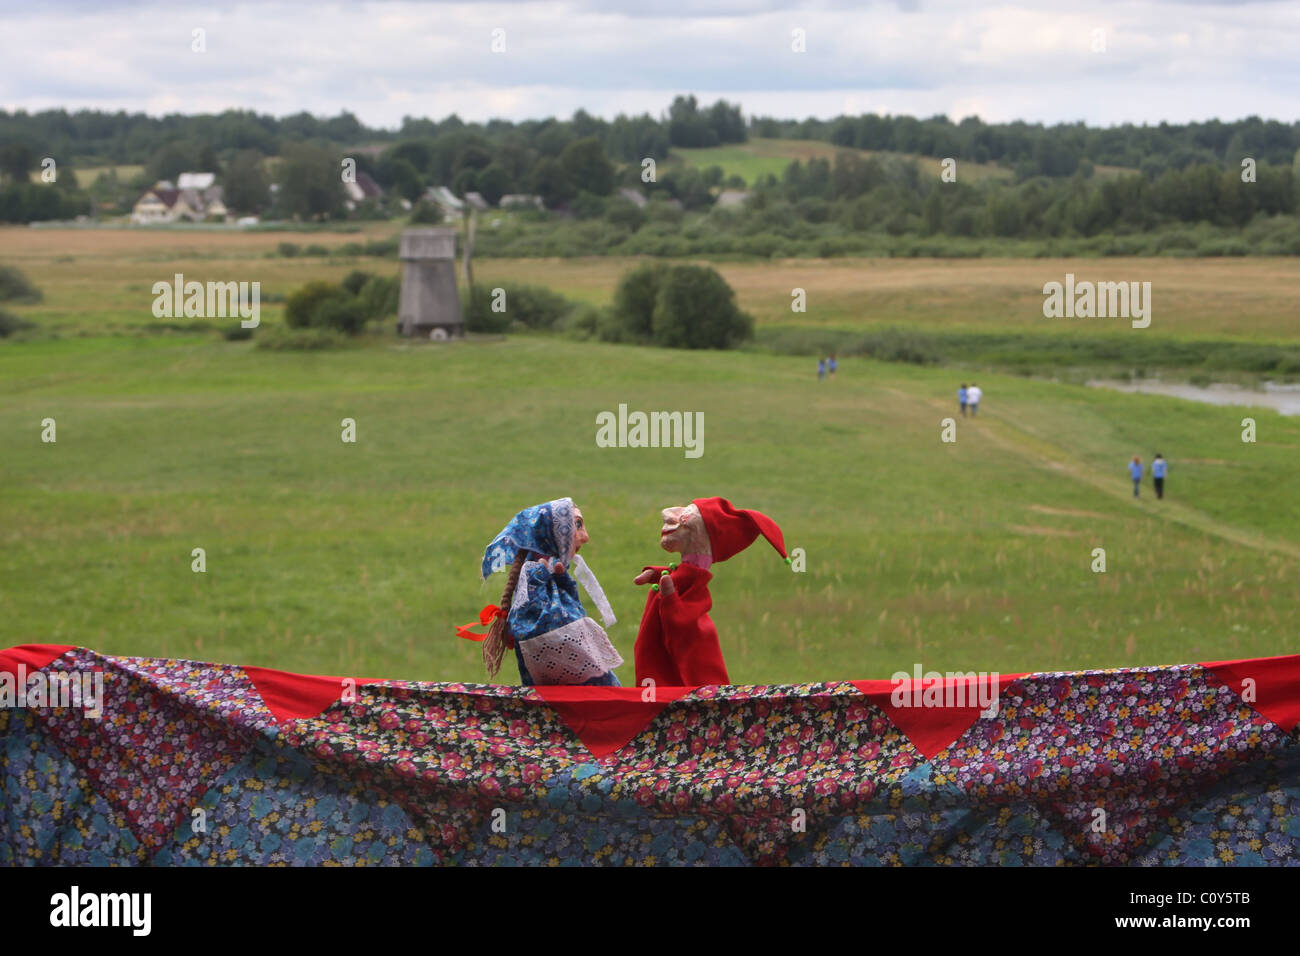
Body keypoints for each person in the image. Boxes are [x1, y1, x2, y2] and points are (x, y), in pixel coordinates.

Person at [459, 497, 622, 685]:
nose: (585, 537)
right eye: (577, 525)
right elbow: (541, 632)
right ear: (552, 533)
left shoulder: (551, 578)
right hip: (561, 695)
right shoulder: (534, 581)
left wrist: (562, 581)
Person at [633, 497, 787, 687]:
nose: (669, 515)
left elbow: (683, 625)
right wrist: (657, 574)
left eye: (684, 521)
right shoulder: (683, 580)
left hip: (683, 683)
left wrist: (670, 601)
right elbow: (684, 574)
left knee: (687, 677)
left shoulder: (693, 588)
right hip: (665, 673)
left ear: (700, 536)